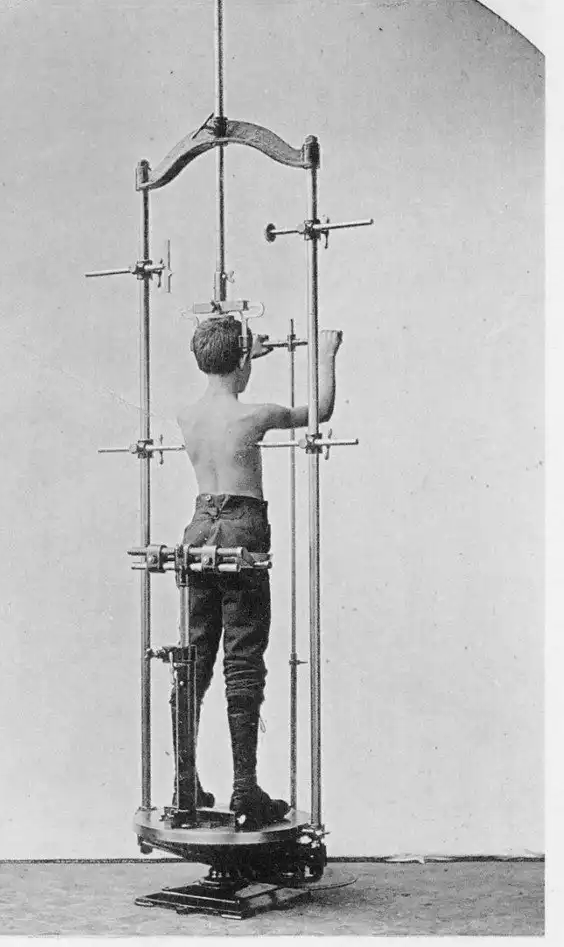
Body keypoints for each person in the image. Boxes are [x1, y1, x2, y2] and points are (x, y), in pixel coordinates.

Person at [173, 314, 343, 830]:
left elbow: (228, 378)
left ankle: (184, 782)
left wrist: (244, 353)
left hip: (199, 531)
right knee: (243, 659)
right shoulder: (257, 415)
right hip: (242, 529)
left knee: (192, 660)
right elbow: (320, 411)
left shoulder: (186, 416)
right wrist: (326, 353)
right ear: (244, 358)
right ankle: (245, 789)